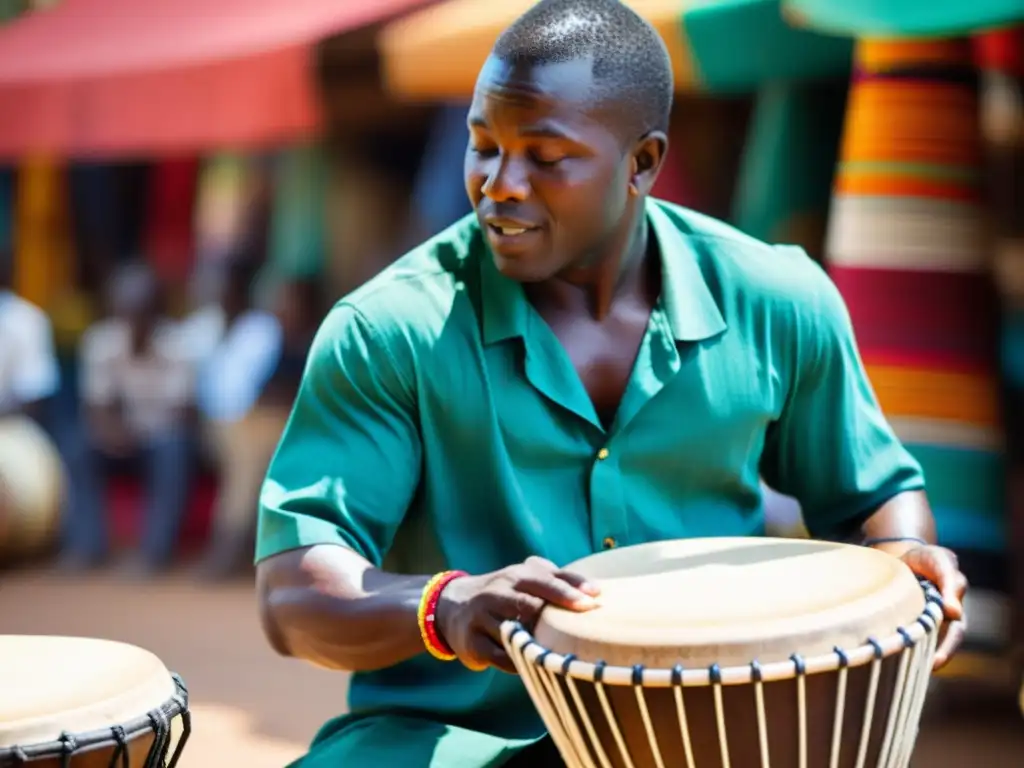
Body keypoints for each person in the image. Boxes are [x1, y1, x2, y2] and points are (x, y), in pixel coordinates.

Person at [254, 1, 970, 766]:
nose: (499, 184)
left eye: (545, 154)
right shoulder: (389, 330)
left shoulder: (778, 300)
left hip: (714, 729)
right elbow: (293, 593)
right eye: (484, 145)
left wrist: (903, 550)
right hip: (450, 742)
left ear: (643, 163)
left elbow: (872, 499)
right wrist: (443, 605)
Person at [65, 262, 195, 574]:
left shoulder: (179, 345)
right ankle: (87, 546)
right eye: (128, 310)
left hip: (160, 437)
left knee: (174, 448)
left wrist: (138, 433)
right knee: (78, 446)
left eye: (142, 310)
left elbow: (181, 413)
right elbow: (96, 407)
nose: (135, 319)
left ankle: (154, 553)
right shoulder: (101, 342)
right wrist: (115, 433)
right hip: (120, 437)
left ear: (156, 311)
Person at [192, 259, 283, 579]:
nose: (219, 292)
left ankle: (239, 548)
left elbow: (269, 384)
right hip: (210, 423)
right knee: (246, 455)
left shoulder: (262, 327)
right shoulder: (201, 326)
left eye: (225, 286)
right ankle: (228, 547)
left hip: (256, 417)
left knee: (255, 450)